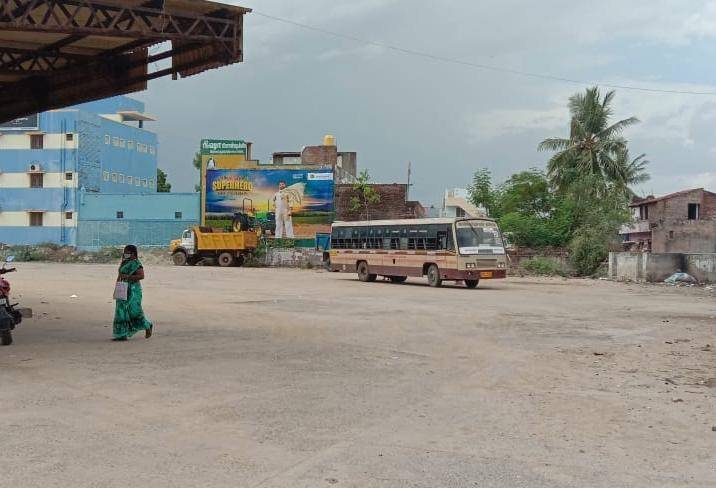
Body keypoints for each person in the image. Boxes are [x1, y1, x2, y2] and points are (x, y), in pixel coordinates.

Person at [113, 245, 153, 341]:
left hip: (133, 290)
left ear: (133, 254)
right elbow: (120, 275)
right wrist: (116, 289)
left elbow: (141, 276)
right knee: (121, 311)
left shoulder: (136, 264)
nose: (125, 254)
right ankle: (121, 334)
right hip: (122, 288)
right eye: (124, 252)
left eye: (127, 252)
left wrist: (127, 277)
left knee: (134, 311)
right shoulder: (125, 262)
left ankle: (147, 326)